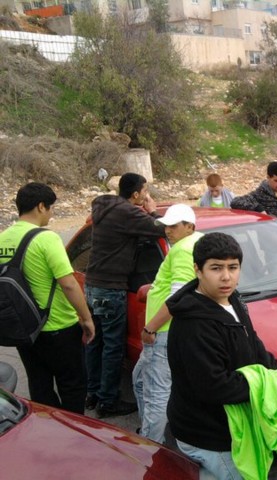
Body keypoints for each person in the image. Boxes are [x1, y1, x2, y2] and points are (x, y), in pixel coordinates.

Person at [166, 232, 277, 479]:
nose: (226, 276)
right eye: (216, 268)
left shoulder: (231, 298)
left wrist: (276, 371)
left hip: (231, 428)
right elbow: (214, 387)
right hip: (210, 435)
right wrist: (270, 386)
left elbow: (251, 339)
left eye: (233, 267)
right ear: (198, 270)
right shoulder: (194, 324)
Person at [0, 183, 95, 414]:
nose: (51, 214)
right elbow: (69, 284)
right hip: (58, 326)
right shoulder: (46, 239)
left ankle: (46, 429)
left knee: (39, 384)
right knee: (72, 385)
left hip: (25, 329)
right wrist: (86, 318)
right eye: (50, 208)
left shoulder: (3, 238)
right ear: (41, 206)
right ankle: (72, 433)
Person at [84, 173, 166, 418]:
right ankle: (108, 401)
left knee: (95, 342)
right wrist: (151, 210)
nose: (147, 195)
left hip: (92, 285)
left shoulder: (107, 208)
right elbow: (163, 230)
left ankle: (93, 392)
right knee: (112, 346)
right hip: (110, 288)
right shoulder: (128, 213)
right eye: (145, 191)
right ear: (136, 194)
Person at [132, 204, 203, 443]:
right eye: (166, 226)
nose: (168, 231)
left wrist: (150, 327)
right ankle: (153, 435)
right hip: (174, 332)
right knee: (141, 381)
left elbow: (178, 297)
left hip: (162, 333)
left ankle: (151, 448)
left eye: (173, 226)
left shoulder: (183, 250)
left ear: (189, 227)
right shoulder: (198, 243)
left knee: (155, 395)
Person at [230, 161, 277, 233]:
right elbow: (235, 202)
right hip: (269, 242)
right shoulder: (259, 195)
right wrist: (258, 208)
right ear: (268, 177)